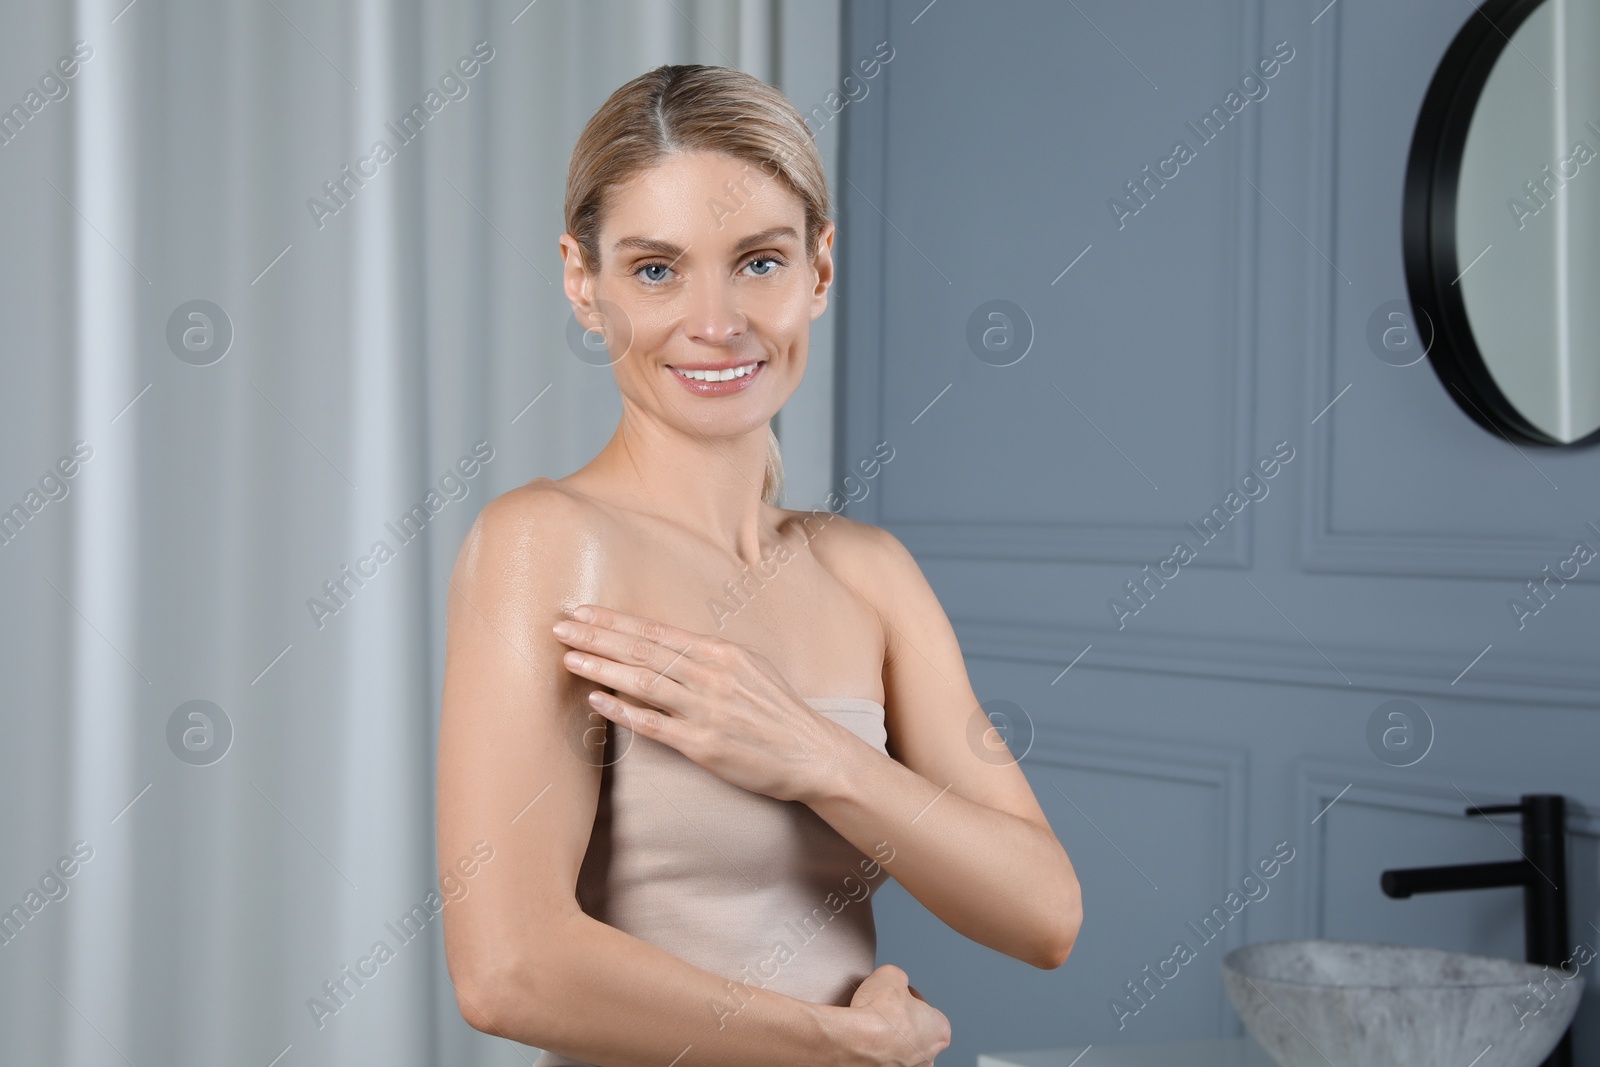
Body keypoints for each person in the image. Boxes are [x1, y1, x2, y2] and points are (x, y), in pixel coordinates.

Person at [436, 63, 1082, 1066]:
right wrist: (836, 1043)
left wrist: (815, 755)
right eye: (656, 269)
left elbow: (1043, 912)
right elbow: (509, 966)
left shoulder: (867, 571)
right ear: (582, 281)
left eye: (758, 262)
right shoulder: (548, 542)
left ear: (820, 269)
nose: (715, 321)